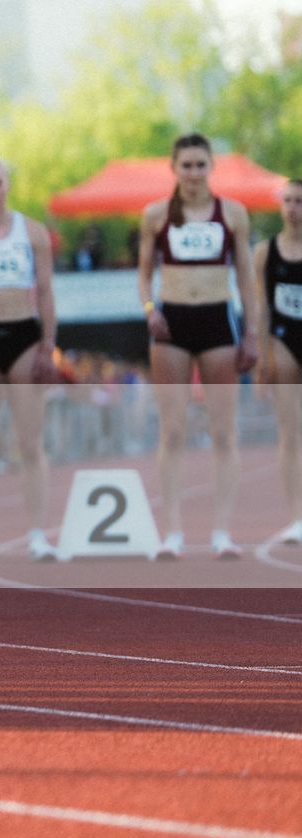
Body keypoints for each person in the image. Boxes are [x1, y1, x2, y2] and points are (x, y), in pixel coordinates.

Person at [138, 133, 258, 559]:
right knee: (173, 430)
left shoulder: (233, 214)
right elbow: (143, 274)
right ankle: (172, 532)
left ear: (211, 167)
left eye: (199, 164)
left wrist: (252, 333)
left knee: (223, 431)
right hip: (172, 322)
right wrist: (150, 308)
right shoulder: (156, 215)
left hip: (217, 321)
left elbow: (245, 277)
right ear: (174, 168)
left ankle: (221, 532)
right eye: (185, 165)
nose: (192, 172)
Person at [0, 155, 60, 565]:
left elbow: (48, 292)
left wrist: (47, 347)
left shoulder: (32, 232)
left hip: (23, 333)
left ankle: (38, 533)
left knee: (30, 444)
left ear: (7, 185)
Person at [256, 178, 302, 545]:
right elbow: (261, 308)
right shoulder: (265, 252)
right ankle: (297, 516)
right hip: (285, 339)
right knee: (290, 433)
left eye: (299, 201)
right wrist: (261, 359)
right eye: (287, 200)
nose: (292, 208)